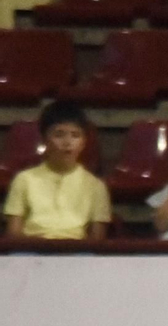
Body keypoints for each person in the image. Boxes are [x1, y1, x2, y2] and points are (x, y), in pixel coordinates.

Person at [3, 101, 109, 241]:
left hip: (76, 251)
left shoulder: (96, 186)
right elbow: (13, 233)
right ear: (45, 140)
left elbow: (97, 238)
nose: (67, 142)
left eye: (75, 135)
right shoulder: (24, 179)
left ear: (83, 143)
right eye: (59, 135)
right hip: (31, 248)